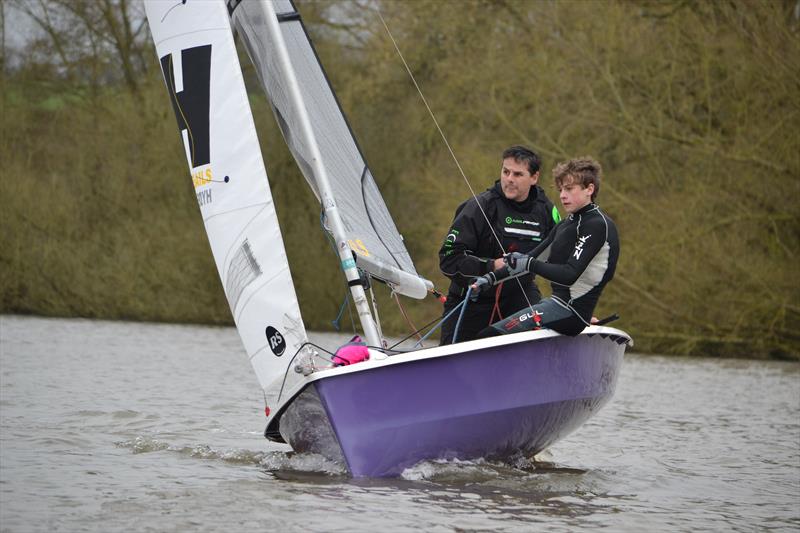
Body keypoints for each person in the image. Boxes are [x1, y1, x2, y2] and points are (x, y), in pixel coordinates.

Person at [472, 156, 619, 337]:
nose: (562, 195)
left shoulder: (597, 225)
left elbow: (569, 275)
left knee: (488, 336)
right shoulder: (567, 224)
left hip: (571, 313)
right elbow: (530, 259)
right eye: (560, 189)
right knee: (484, 333)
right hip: (555, 304)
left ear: (589, 189)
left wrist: (528, 263)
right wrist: (489, 279)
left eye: (569, 189)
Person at [438, 145, 561, 344]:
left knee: (550, 328)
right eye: (506, 172)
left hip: (519, 297)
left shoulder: (547, 210)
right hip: (472, 300)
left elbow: (562, 261)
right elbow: (448, 259)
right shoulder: (478, 206)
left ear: (534, 177)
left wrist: (573, 312)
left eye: (518, 174)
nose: (509, 179)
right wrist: (491, 266)